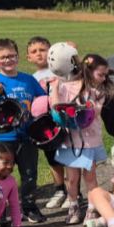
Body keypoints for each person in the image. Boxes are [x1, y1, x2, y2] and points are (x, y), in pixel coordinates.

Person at [0, 37, 46, 223]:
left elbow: (42, 100)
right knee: (0, 173)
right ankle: (0, 210)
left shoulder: (28, 79)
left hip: (27, 135)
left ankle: (28, 206)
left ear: (18, 57)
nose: (8, 60)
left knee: (29, 173)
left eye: (12, 56)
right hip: (3, 136)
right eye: (3, 57)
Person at [50, 49, 110, 225]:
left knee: (90, 177)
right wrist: (55, 88)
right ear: (89, 71)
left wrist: (88, 106)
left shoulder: (97, 92)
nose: (104, 78)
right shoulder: (66, 87)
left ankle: (92, 207)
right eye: (101, 74)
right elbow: (55, 106)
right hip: (70, 141)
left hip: (89, 141)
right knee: (72, 177)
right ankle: (74, 205)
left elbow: (94, 112)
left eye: (105, 75)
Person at [27, 36, 69, 212]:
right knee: (52, 157)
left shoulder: (60, 71)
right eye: (34, 51)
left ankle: (74, 191)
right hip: (44, 124)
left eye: (42, 50)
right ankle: (60, 190)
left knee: (68, 156)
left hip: (62, 119)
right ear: (28, 57)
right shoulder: (31, 78)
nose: (39, 54)